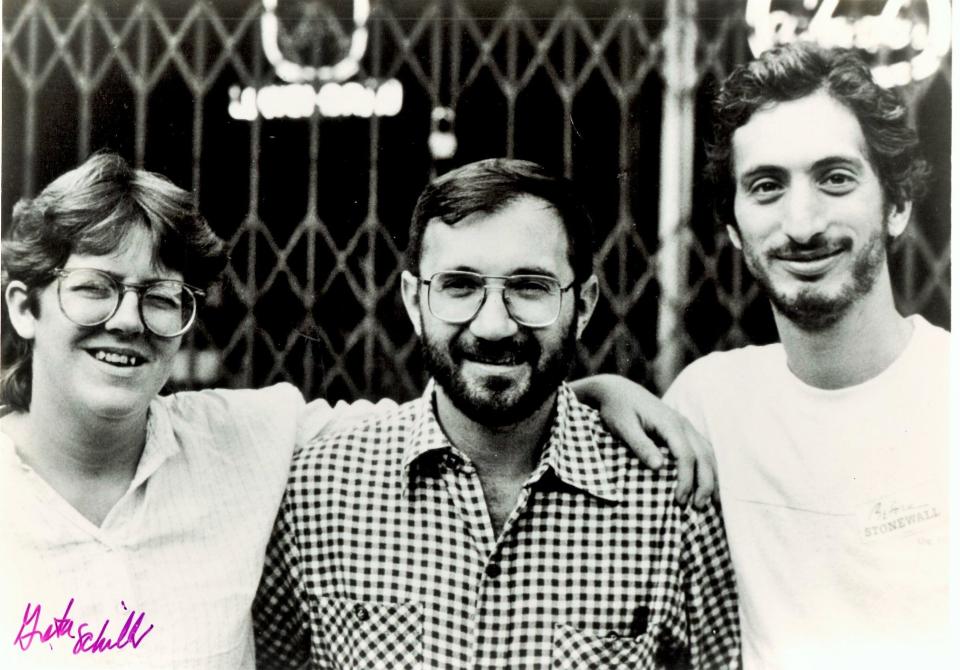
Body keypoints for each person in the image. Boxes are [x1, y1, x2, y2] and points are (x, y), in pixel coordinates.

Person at [1, 153, 713, 668]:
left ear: (581, 303)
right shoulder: (311, 481)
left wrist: (595, 391)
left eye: (161, 299)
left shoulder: (251, 445)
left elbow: (481, 404)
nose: (129, 321)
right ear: (23, 306)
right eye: (93, 289)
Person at [252, 158, 741, 669]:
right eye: (460, 285)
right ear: (415, 302)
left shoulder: (668, 501)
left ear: (586, 305)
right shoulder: (318, 492)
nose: (492, 326)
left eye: (530, 286)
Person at [664, 43, 949, 669]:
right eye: (766, 187)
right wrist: (604, 392)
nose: (801, 223)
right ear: (735, 230)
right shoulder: (707, 406)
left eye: (835, 178)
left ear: (897, 205)